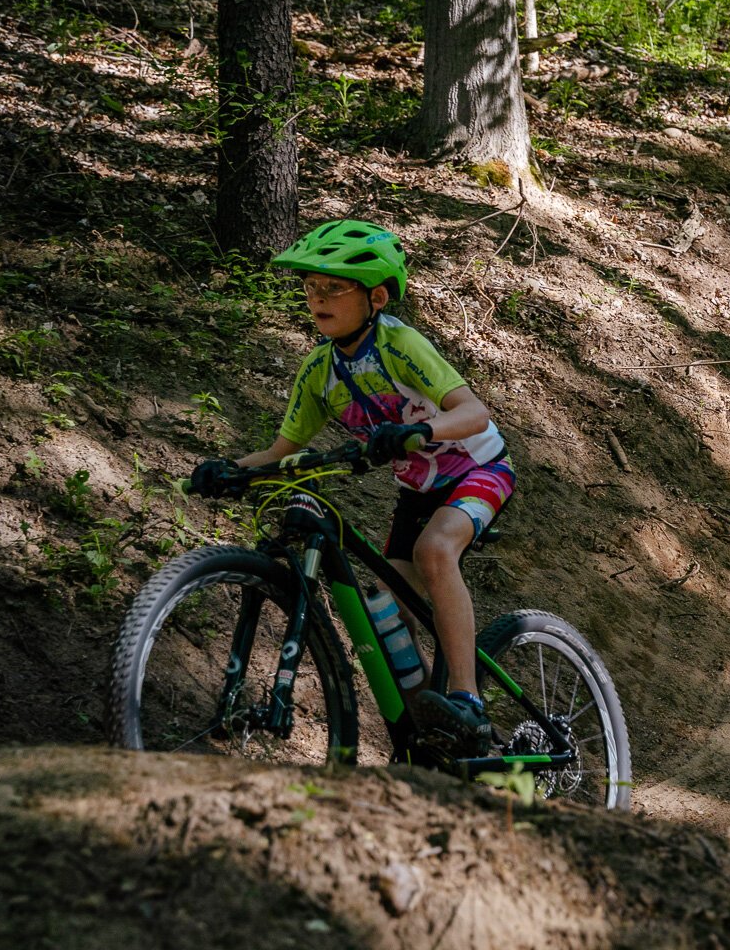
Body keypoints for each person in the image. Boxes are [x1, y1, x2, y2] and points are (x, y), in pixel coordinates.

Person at [187, 220, 513, 757]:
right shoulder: (319, 370)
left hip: (478, 470)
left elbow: (475, 414)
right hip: (418, 491)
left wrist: (419, 431)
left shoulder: (401, 344)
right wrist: (230, 469)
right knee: (387, 610)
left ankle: (466, 696)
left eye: (333, 288)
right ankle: (428, 724)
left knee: (435, 551)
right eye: (311, 288)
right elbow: (280, 451)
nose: (318, 298)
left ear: (377, 296)